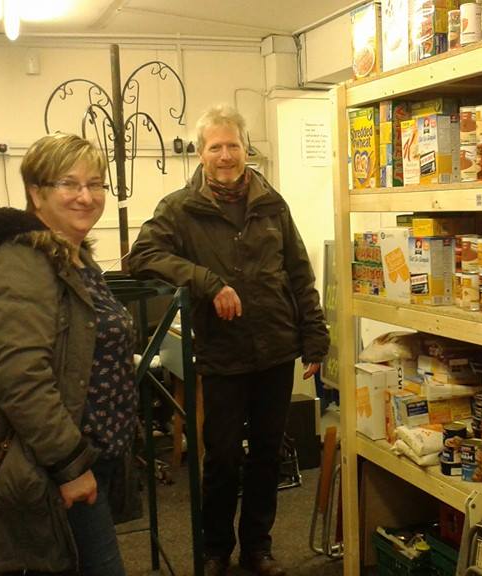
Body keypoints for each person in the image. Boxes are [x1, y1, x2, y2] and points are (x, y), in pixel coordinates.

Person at [128, 104, 330, 576]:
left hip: (276, 347)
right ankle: (215, 548)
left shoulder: (271, 203)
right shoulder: (179, 208)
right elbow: (141, 256)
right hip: (221, 352)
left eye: (233, 145)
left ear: (246, 149)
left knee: (266, 453)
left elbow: (299, 274)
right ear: (201, 153)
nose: (225, 155)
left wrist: (314, 336)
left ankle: (257, 548)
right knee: (220, 458)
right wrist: (206, 281)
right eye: (215, 146)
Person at [0, 133, 137, 576]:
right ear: (36, 193)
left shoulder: (74, 258)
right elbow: (22, 381)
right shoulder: (23, 264)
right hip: (50, 470)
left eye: (96, 183)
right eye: (69, 184)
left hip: (86, 461)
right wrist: (69, 466)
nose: (86, 197)